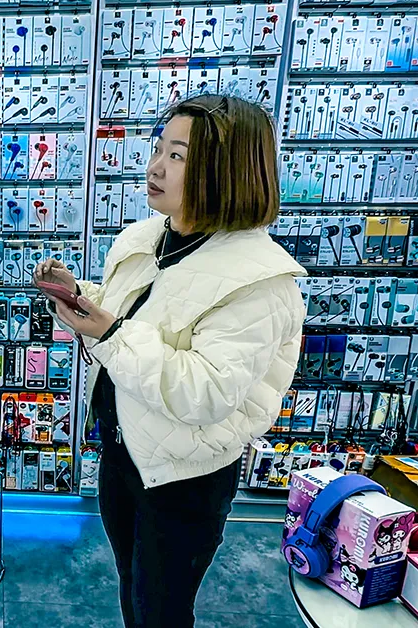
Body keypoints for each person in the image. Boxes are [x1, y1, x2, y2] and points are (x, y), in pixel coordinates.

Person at [34, 94, 306, 627]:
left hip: (183, 478)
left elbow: (205, 392)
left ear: (226, 171)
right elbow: (146, 317)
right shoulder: (147, 238)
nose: (155, 167)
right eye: (159, 149)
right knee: (132, 588)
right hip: (124, 456)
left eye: (177, 156)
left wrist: (108, 332)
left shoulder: (260, 283)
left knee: (161, 609)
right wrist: (82, 296)